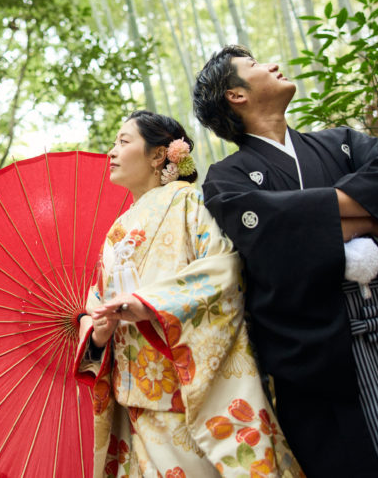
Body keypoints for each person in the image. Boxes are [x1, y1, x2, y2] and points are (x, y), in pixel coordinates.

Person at [192, 45, 378, 478]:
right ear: (235, 95)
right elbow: (267, 239)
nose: (273, 64)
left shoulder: (342, 142)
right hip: (321, 352)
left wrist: (303, 218)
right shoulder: (226, 179)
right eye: (255, 65)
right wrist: (370, 214)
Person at [73, 110, 302, 478]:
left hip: (185, 389)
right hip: (136, 401)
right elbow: (98, 301)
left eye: (123, 141)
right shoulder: (116, 228)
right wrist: (99, 333)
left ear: (158, 155)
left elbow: (223, 271)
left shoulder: (187, 202)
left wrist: (152, 305)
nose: (111, 152)